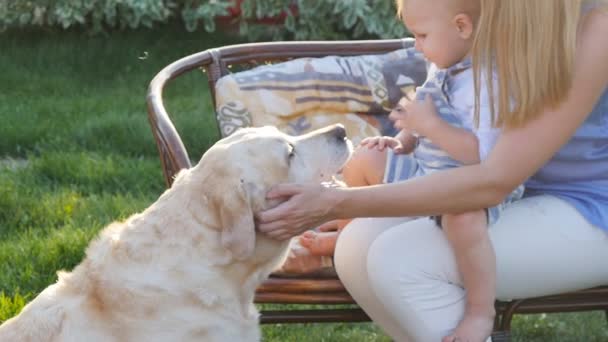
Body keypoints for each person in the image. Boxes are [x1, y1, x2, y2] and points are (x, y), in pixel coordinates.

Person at [258, 0, 608, 341]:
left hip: (591, 207)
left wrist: (333, 202)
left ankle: (479, 317)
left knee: (400, 260)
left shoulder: (597, 26)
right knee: (354, 249)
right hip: (523, 191)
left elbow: (494, 178)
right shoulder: (498, 18)